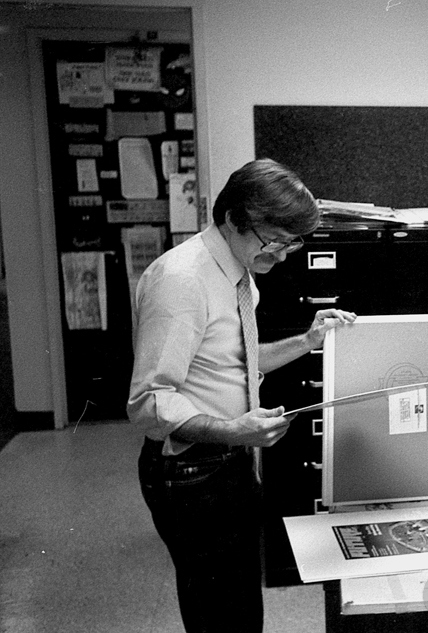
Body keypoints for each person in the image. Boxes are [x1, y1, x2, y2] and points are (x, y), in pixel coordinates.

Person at [128, 158, 356, 632]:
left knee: (240, 609)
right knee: (219, 615)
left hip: (229, 461)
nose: (283, 255)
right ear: (233, 219)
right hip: (192, 472)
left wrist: (306, 340)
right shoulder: (182, 281)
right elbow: (149, 402)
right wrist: (233, 429)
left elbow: (236, 360)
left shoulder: (235, 269)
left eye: (292, 243)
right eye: (274, 241)